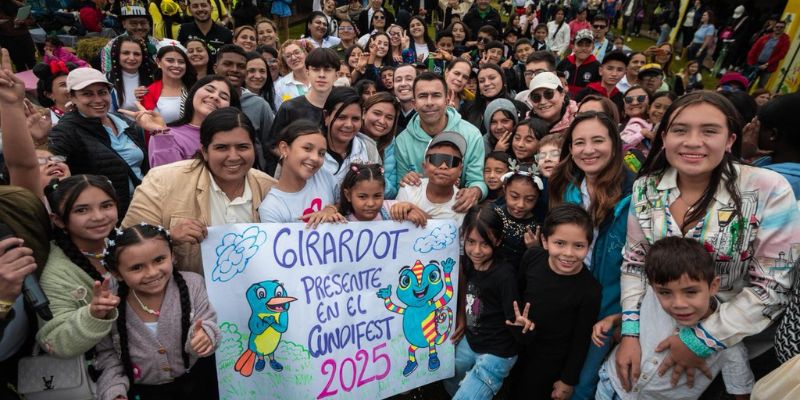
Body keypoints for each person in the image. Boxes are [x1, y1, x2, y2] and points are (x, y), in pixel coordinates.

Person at [616, 91, 800, 395]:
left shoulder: (768, 190)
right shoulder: (646, 189)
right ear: (663, 137)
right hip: (654, 332)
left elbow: (773, 286)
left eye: (709, 131)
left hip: (735, 349)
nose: (692, 141)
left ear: (730, 140)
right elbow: (635, 264)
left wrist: (699, 340)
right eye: (680, 129)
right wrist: (631, 332)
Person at [596, 237, 754, 399]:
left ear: (713, 286)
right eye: (665, 293)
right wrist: (615, 320)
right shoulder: (653, 295)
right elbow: (642, 314)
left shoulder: (727, 340)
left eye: (691, 292)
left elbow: (740, 389)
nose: (678, 304)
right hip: (610, 385)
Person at [122, 107, 276, 274]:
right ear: (204, 151)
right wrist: (168, 236)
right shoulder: (162, 181)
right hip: (186, 296)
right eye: (222, 148)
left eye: (242, 147)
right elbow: (124, 244)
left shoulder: (270, 188)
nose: (233, 156)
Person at [95, 224, 221, 399]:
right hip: (140, 392)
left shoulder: (193, 284)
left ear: (172, 256)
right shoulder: (110, 302)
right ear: (117, 273)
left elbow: (207, 321)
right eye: (137, 267)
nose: (152, 272)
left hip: (196, 386)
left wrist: (204, 336)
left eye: (159, 260)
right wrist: (114, 391)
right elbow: (107, 356)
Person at [443, 204, 533, 399]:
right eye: (470, 242)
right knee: (449, 376)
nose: (476, 250)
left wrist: (524, 327)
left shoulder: (504, 276)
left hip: (497, 352)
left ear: (498, 241)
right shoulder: (467, 263)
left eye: (485, 243)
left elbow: (515, 319)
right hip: (471, 340)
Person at [513, 204, 602, 400]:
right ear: (545, 241)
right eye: (559, 243)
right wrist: (516, 322)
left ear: (588, 245)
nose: (568, 253)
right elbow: (518, 294)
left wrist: (568, 380)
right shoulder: (532, 257)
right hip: (520, 345)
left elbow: (581, 340)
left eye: (578, 246)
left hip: (550, 361)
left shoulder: (590, 290)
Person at [37, 176, 120, 358]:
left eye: (106, 206)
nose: (98, 216)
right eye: (82, 210)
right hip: (97, 370)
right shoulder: (56, 272)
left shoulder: (126, 242)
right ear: (58, 220)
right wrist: (93, 314)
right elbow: (54, 340)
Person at [49, 68, 147, 218]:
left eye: (102, 92)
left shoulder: (123, 121)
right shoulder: (65, 130)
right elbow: (52, 175)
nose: (98, 100)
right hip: (107, 217)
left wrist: (159, 132)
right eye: (87, 94)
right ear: (72, 97)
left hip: (143, 206)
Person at [395, 72, 487, 212]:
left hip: (457, 210)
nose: (430, 102)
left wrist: (475, 191)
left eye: (436, 95)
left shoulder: (472, 134)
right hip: (416, 213)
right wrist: (406, 179)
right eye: (423, 96)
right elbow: (401, 184)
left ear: (447, 99)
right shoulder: (402, 140)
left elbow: (477, 179)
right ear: (414, 103)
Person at [269, 47, 339, 175]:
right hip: (298, 176)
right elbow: (274, 145)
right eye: (316, 69)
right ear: (307, 72)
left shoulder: (342, 108)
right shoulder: (290, 107)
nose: (321, 74)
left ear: (337, 75)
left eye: (328, 69)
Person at [259, 119, 339, 226]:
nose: (315, 158)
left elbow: (345, 202)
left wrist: (331, 209)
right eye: (307, 148)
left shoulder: (324, 177)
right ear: (284, 149)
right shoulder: (271, 207)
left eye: (321, 153)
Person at [149, 75, 238, 167]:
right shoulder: (164, 134)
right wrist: (161, 134)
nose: (215, 97)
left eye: (223, 97)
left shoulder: (234, 137)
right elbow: (166, 177)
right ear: (193, 93)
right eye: (209, 90)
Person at [213, 44, 275, 170]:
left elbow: (271, 147)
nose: (235, 69)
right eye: (228, 64)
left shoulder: (259, 105)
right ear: (215, 68)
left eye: (241, 66)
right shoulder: (206, 101)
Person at [397, 131, 469, 226]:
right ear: (424, 166)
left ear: (460, 170)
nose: (443, 166)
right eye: (436, 159)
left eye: (452, 161)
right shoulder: (408, 189)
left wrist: (414, 209)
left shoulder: (463, 204)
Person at [319, 88, 381, 182]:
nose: (349, 125)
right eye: (341, 117)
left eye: (355, 119)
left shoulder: (368, 148)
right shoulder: (310, 150)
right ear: (326, 116)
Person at [337, 162, 427, 225]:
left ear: (384, 192)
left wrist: (412, 209)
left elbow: (432, 224)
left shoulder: (394, 210)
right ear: (348, 195)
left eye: (377, 196)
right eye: (362, 197)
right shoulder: (339, 220)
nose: (371, 203)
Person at [493, 165, 543, 268]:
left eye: (529, 199)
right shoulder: (493, 215)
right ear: (504, 190)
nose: (521, 205)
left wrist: (535, 249)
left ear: (537, 198)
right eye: (514, 197)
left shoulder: (537, 227)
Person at [141, 42, 197, 126]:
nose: (176, 65)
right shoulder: (148, 92)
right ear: (158, 62)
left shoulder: (195, 89)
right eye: (170, 61)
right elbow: (150, 126)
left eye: (181, 62)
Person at [101, 1, 160, 74]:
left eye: (143, 23)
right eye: (134, 23)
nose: (139, 27)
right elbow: (107, 76)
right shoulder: (111, 47)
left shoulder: (157, 44)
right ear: (124, 24)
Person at [361, 92, 400, 199]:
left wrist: (375, 173)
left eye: (389, 117)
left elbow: (392, 192)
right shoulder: (351, 138)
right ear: (364, 113)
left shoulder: (391, 143)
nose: (382, 121)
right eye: (377, 113)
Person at [107, 36, 155, 112]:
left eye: (137, 54)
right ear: (116, 55)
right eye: (126, 53)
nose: (132, 58)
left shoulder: (154, 78)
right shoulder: (106, 80)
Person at [576, 51, 628, 115]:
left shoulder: (621, 98)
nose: (614, 74)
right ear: (600, 70)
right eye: (610, 69)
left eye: (619, 70)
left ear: (624, 73)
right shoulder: (586, 92)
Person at [746, 19, 790, 89]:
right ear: (774, 27)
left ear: (784, 28)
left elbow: (781, 55)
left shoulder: (785, 40)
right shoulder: (765, 37)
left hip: (769, 67)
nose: (779, 29)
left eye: (781, 27)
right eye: (777, 27)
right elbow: (754, 49)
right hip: (756, 63)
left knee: (761, 86)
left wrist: (767, 64)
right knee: (747, 82)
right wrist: (751, 62)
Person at [557, 29, 600, 97]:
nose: (583, 48)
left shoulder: (597, 67)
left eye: (587, 45)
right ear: (573, 46)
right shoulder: (564, 62)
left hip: (585, 104)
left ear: (593, 47)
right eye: (580, 44)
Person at [274, 40, 312, 109]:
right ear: (285, 62)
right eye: (288, 56)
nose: (293, 58)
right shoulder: (281, 86)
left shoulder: (319, 76)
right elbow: (281, 113)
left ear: (305, 53)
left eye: (297, 52)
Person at [620, 86, 652, 155]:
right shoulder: (617, 128)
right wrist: (641, 134)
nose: (634, 103)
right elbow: (621, 146)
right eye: (628, 99)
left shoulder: (658, 125)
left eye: (641, 98)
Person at [393, 64, 418, 132]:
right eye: (398, 80)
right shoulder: (390, 114)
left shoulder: (427, 113)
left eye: (409, 79)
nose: (403, 84)